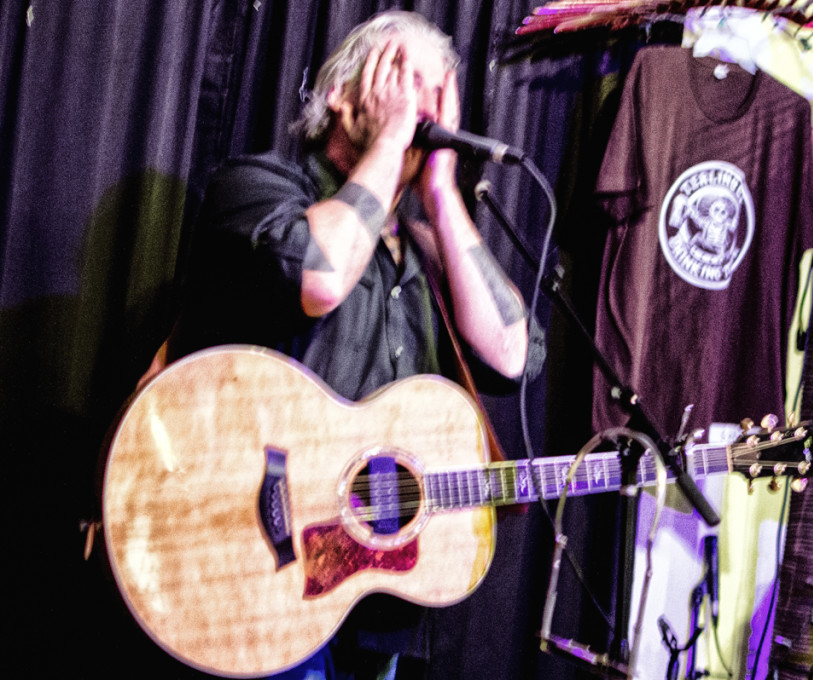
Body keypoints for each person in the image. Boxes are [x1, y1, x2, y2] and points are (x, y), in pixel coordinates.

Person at [143, 10, 532, 680]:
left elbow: (510, 353)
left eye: (434, 97)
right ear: (339, 95)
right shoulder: (257, 187)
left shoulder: (432, 252)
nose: (418, 114)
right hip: (251, 576)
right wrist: (388, 146)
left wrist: (439, 192)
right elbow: (319, 277)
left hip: (373, 607)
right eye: (402, 86)